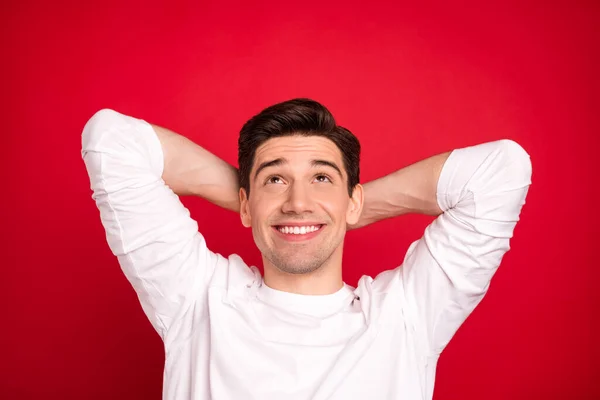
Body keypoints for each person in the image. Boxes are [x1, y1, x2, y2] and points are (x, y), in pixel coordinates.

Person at [81, 98, 532, 400]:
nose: (297, 202)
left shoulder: (405, 315)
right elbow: (112, 140)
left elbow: (500, 172)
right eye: (275, 179)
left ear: (351, 199)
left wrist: (336, 210)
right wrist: (279, 208)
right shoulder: (199, 299)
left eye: (321, 178)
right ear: (244, 201)